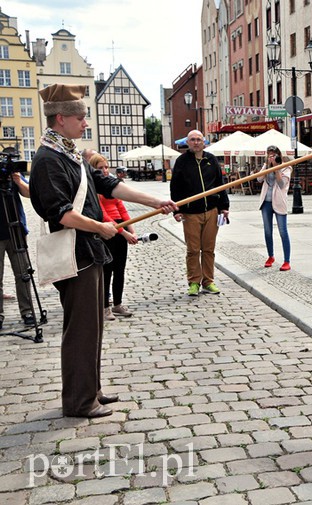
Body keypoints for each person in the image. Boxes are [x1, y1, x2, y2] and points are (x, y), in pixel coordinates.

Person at [30, 83, 177, 418]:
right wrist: (102, 227)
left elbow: (109, 184)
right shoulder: (47, 160)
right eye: (80, 118)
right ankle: (79, 402)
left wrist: (157, 200)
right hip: (74, 253)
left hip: (89, 252)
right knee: (80, 330)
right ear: (61, 119)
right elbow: (61, 213)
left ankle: (91, 390)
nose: (85, 123)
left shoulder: (69, 154)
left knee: (93, 326)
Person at [170, 129, 230, 296]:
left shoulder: (211, 160)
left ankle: (208, 281)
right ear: (187, 143)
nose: (196, 142)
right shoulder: (182, 162)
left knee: (209, 249)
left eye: (199, 139)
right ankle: (194, 282)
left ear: (204, 142)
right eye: (193, 140)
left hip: (211, 210)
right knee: (193, 249)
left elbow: (221, 184)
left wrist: (224, 206)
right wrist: (177, 210)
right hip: (191, 213)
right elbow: (175, 187)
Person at [90, 154, 137, 321]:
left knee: (120, 270)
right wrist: (123, 232)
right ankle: (105, 307)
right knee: (107, 270)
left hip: (119, 228)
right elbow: (102, 214)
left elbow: (123, 210)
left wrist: (132, 230)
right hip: (107, 230)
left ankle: (117, 303)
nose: (104, 170)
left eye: (105, 167)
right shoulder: (94, 187)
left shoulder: (111, 187)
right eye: (100, 168)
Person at [0, 167, 35, 329]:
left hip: (16, 230)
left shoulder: (10, 170)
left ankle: (27, 311)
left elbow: (29, 193)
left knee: (23, 273)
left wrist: (18, 181)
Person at [257, 145, 291, 271]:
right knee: (267, 231)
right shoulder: (266, 166)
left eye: (273, 155)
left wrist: (276, 168)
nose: (271, 157)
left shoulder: (286, 167)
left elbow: (282, 184)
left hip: (279, 202)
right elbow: (259, 179)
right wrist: (266, 167)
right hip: (266, 202)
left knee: (283, 231)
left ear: (278, 155)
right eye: (269, 155)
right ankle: (270, 256)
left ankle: (287, 260)